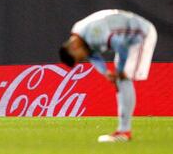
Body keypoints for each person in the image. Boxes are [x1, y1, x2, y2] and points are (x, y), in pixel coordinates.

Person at [59, 9, 157, 142]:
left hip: (140, 35)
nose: (83, 59)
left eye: (79, 58)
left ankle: (124, 132)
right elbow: (91, 55)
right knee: (121, 80)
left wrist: (120, 69)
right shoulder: (78, 33)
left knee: (123, 78)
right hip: (131, 37)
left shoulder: (93, 33)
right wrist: (105, 72)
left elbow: (120, 45)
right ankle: (123, 131)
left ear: (74, 47)